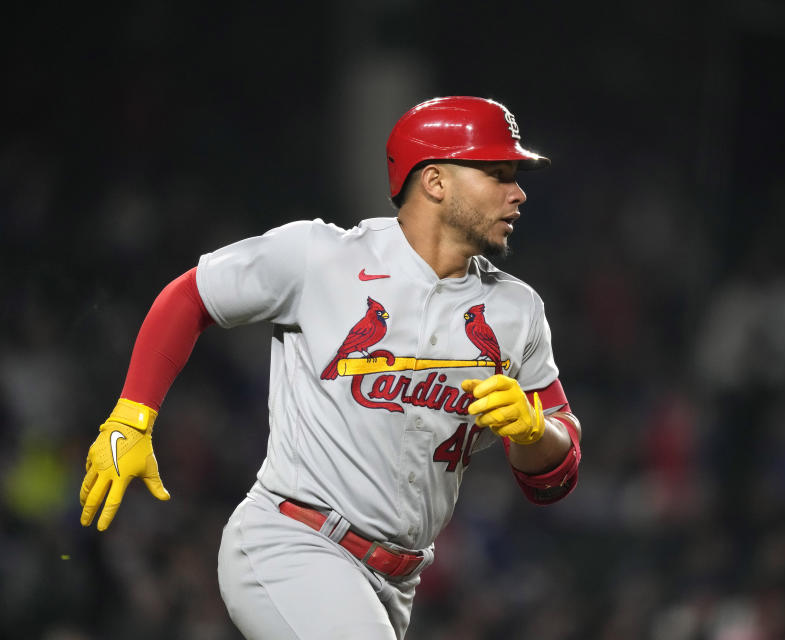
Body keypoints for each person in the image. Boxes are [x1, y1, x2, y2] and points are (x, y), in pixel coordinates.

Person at [79, 96, 583, 639]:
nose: (518, 192)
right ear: (436, 182)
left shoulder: (518, 310)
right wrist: (132, 416)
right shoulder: (322, 256)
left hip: (397, 582)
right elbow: (189, 297)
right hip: (294, 541)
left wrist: (536, 432)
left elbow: (554, 477)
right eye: (498, 174)